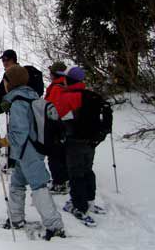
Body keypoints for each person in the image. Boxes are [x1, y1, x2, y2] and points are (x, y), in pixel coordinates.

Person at [0, 65, 65, 240]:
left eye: (5, 80)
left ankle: (55, 226)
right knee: (17, 183)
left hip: (28, 151)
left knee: (38, 186)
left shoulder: (18, 102)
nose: (4, 84)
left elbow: (20, 131)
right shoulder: (32, 96)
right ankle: (15, 219)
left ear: (10, 83)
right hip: (29, 150)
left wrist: (5, 141)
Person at [52, 66, 105, 227]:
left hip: (74, 141)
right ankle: (89, 200)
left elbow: (57, 117)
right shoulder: (92, 95)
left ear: (69, 80)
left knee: (75, 173)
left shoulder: (67, 97)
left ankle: (79, 206)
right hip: (91, 141)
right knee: (87, 170)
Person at [44, 61, 69, 195]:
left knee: (54, 155)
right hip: (65, 125)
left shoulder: (57, 88)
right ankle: (64, 179)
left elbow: (52, 107)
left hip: (55, 125)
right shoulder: (67, 84)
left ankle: (59, 183)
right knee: (62, 154)